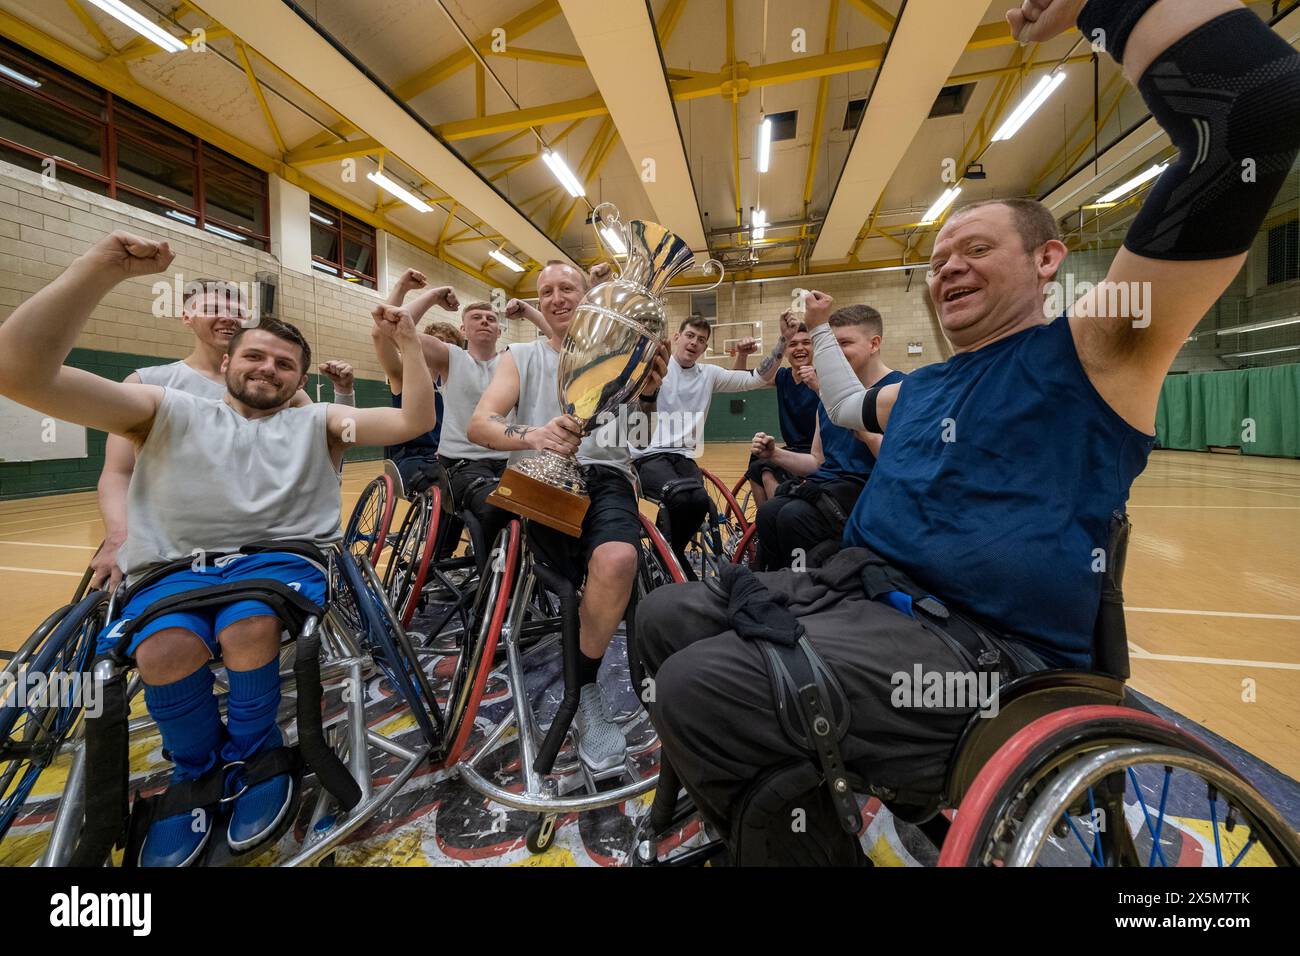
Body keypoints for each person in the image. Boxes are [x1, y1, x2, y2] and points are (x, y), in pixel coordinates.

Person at [635, 0, 1300, 864]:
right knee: (665, 617)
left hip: (984, 659)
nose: (950, 265)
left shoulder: (1099, 349)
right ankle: (778, 811)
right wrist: (813, 332)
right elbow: (842, 407)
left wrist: (1102, 6)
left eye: (976, 248)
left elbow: (1257, 109)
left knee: (702, 687)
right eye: (940, 256)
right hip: (865, 598)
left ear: (1048, 260)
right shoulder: (921, 388)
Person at [0, 230, 437, 866]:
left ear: (299, 379)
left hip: (274, 569)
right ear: (228, 363)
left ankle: (256, 755)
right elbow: (20, 370)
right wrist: (98, 270)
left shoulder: (316, 420)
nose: (268, 369)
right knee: (162, 645)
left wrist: (405, 343)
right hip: (174, 569)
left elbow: (412, 423)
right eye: (256, 357)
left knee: (248, 625)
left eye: (285, 365)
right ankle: (195, 775)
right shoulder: (161, 405)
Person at [468, 260, 668, 774]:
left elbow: (640, 439)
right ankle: (506, 620)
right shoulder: (522, 356)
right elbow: (480, 424)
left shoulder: (629, 356)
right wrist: (534, 435)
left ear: (589, 298)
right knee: (557, 583)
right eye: (546, 290)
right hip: (539, 477)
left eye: (568, 288)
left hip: (605, 476)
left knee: (619, 559)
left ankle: (586, 691)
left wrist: (648, 395)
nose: (557, 298)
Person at [90, 279, 356, 590]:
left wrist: (344, 394)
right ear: (186, 316)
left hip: (264, 550)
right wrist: (119, 536)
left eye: (238, 310)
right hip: (176, 551)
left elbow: (327, 452)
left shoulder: (283, 391)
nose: (228, 316)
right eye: (213, 308)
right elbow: (119, 472)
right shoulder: (148, 383)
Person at [750, 304, 902, 571]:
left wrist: (865, 432)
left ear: (874, 343)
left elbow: (902, 464)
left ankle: (810, 587)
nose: (837, 353)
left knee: (792, 517)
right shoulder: (830, 395)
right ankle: (772, 582)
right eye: (833, 344)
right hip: (830, 484)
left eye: (845, 343)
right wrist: (775, 454)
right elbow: (817, 462)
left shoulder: (898, 390)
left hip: (871, 489)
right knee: (768, 512)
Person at [631, 316, 786, 576]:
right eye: (690, 335)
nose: (694, 343)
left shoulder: (709, 374)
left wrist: (783, 341)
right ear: (677, 337)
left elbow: (758, 379)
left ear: (705, 348)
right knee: (679, 497)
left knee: (700, 500)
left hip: (683, 457)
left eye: (701, 340)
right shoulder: (653, 368)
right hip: (647, 456)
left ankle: (669, 552)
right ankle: (671, 557)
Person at [372, 269, 459, 496]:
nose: (442, 348)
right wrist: (408, 289)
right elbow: (381, 334)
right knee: (446, 491)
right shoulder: (404, 374)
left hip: (453, 457)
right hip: (416, 459)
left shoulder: (460, 382)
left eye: (449, 344)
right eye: (437, 342)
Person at [735, 312, 820, 508]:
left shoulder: (824, 375)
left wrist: (818, 386)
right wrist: (743, 354)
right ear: (786, 350)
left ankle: (775, 519)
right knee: (758, 455)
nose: (799, 348)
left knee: (766, 470)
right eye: (793, 344)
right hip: (792, 448)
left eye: (806, 343)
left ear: (814, 346)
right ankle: (764, 520)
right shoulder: (781, 376)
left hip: (817, 453)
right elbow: (740, 381)